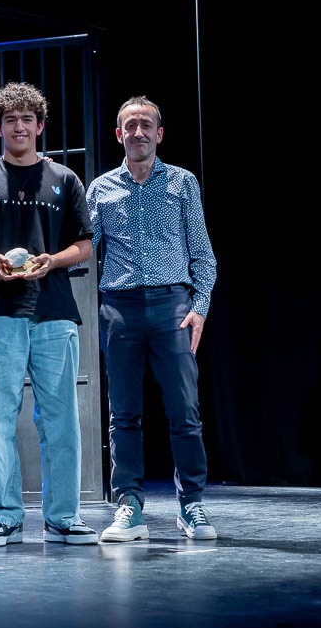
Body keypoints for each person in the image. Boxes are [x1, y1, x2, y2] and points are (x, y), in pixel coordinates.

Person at [0, 81, 98, 547]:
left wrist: (54, 260)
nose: (19, 126)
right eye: (10, 119)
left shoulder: (65, 179)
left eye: (27, 119)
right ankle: (3, 518)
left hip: (54, 309)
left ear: (40, 126)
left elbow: (86, 245)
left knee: (60, 419)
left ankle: (62, 518)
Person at [86, 96, 218, 542]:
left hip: (172, 306)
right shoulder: (100, 188)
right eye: (130, 125)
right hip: (120, 308)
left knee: (184, 411)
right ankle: (129, 506)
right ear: (118, 134)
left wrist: (199, 307)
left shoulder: (182, 182)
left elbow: (204, 255)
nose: (138, 132)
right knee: (123, 413)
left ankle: (192, 504)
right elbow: (82, 246)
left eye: (146, 125)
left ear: (159, 134)